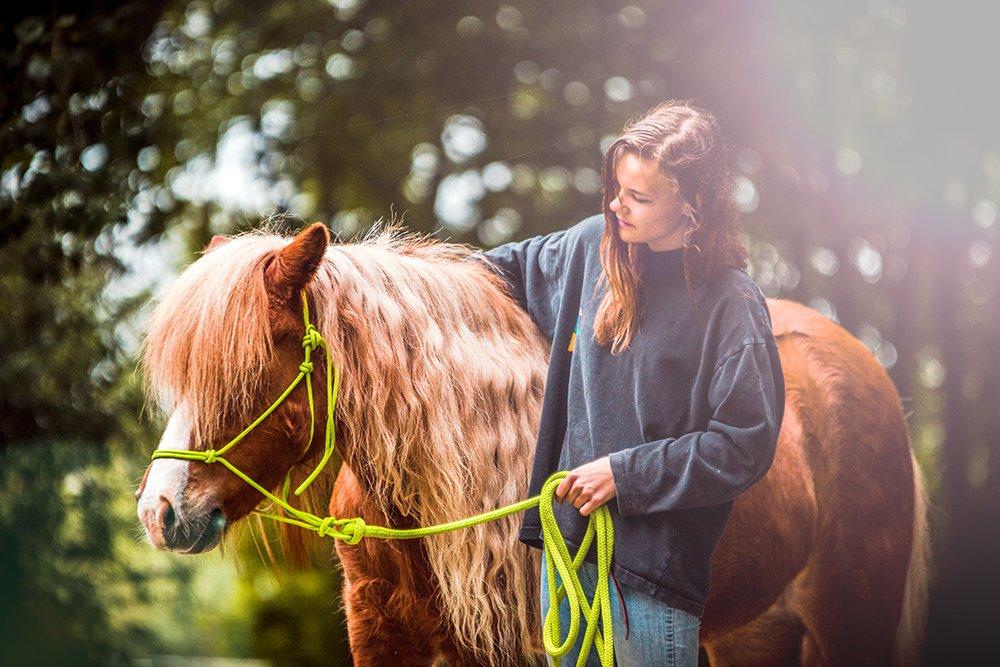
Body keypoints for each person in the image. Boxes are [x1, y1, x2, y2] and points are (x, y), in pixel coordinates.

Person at [471, 100, 785, 666]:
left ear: (693, 206)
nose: (618, 205)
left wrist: (624, 473)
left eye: (639, 197)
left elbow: (744, 444)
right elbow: (489, 272)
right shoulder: (588, 247)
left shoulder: (731, 304)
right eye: (616, 188)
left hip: (653, 578)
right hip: (566, 557)